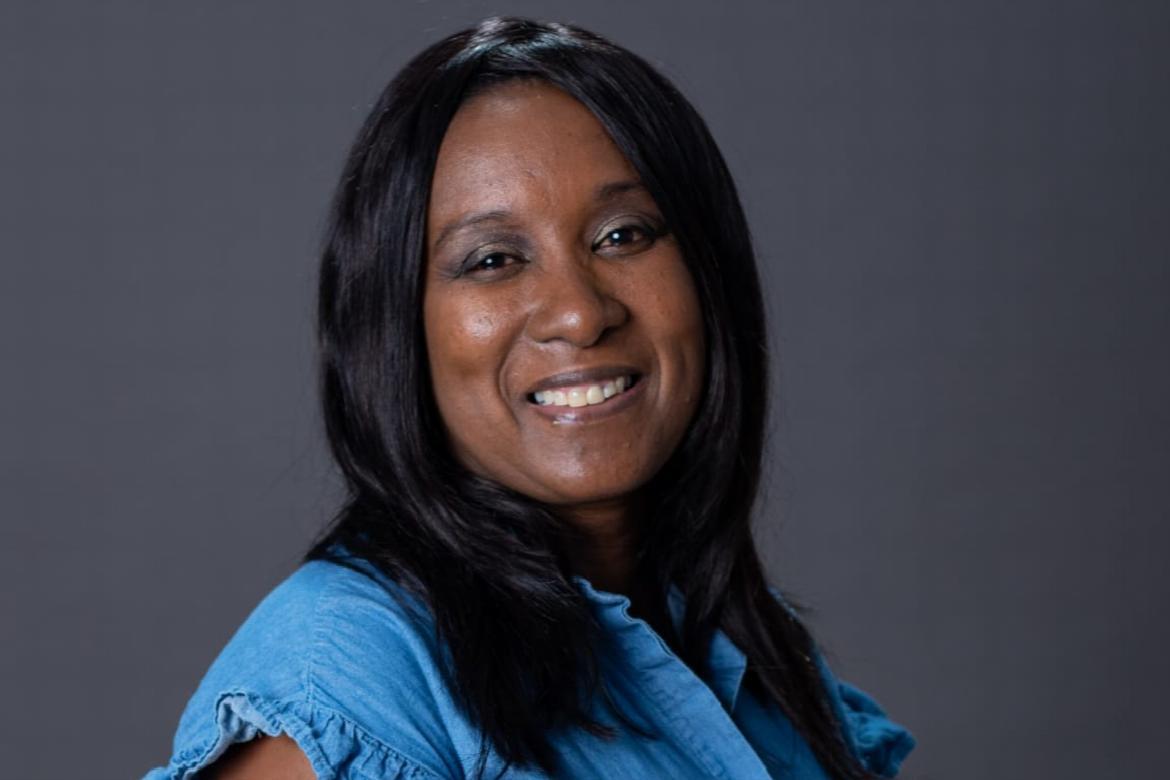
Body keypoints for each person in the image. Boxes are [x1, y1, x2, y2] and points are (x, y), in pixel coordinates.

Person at [145, 17, 914, 780]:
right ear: (394, 324)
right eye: (492, 260)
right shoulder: (344, 680)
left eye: (623, 236)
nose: (579, 313)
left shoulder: (750, 651)